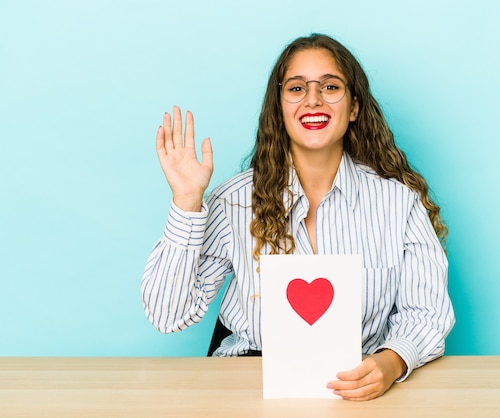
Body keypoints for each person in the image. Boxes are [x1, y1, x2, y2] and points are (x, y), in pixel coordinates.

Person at [142, 33, 455, 401]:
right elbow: (167, 315)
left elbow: (428, 314)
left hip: (356, 387)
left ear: (354, 107)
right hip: (248, 385)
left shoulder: (399, 203)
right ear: (279, 107)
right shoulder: (235, 202)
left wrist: (391, 362)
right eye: (296, 88)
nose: (313, 99)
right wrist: (187, 201)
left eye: (330, 86)